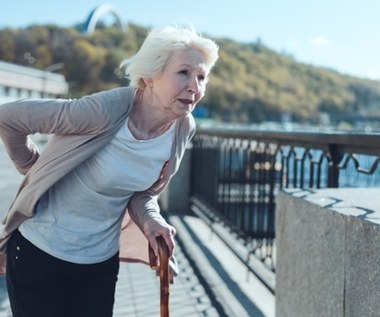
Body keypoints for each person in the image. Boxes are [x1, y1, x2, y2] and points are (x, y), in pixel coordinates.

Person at [0, 25, 219, 317]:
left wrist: (151, 221)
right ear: (150, 76)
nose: (195, 87)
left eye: (201, 77)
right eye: (184, 73)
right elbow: (9, 118)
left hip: (99, 263)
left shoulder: (182, 128)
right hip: (40, 254)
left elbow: (142, 193)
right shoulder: (104, 110)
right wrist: (33, 166)